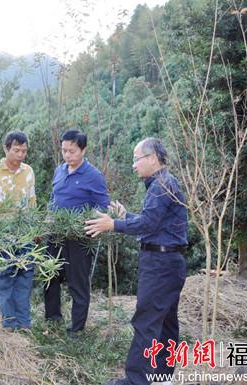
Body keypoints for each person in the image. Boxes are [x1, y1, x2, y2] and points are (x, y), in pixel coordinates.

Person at [84, 137, 188, 385]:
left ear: (152, 158)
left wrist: (113, 224)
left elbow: (149, 224)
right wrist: (125, 216)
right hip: (169, 261)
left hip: (161, 264)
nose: (134, 165)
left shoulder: (162, 185)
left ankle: (135, 380)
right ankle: (162, 377)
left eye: (136, 159)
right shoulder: (162, 183)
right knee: (165, 322)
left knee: (146, 321)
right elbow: (154, 223)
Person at [45, 130, 110, 335]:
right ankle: (52, 318)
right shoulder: (60, 170)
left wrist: (87, 222)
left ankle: (77, 328)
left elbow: (103, 207)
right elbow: (53, 199)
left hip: (79, 237)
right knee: (51, 276)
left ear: (83, 150)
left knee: (77, 282)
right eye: (64, 150)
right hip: (55, 233)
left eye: (71, 151)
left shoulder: (94, 176)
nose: (67, 155)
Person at [0, 131, 37, 330]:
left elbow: (32, 202)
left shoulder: (28, 171)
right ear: (6, 149)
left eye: (24, 151)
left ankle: (24, 323)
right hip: (0, 234)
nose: (20, 155)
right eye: (16, 150)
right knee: (4, 279)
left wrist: (35, 230)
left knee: (25, 277)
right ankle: (9, 324)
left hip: (24, 234)